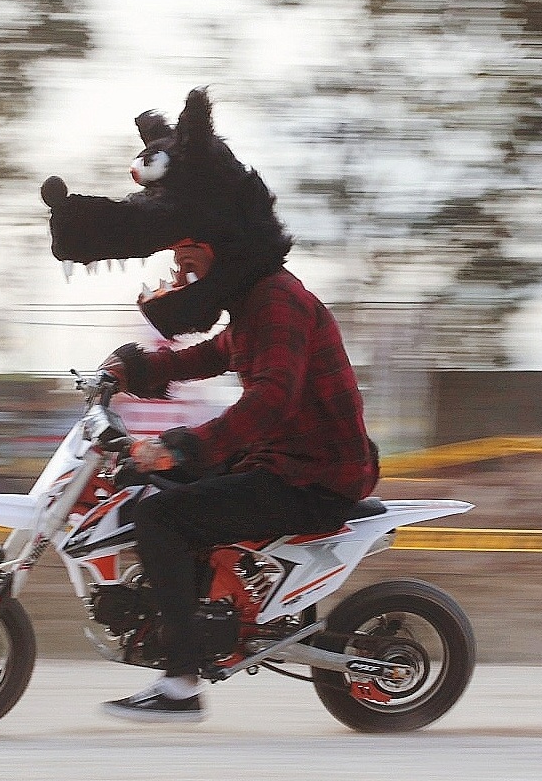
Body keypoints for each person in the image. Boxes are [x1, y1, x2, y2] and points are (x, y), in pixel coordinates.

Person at [40, 88, 378, 723]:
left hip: (312, 474)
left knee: (161, 520)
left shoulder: (278, 301)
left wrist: (180, 446)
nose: (176, 255)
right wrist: (132, 368)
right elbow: (206, 356)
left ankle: (180, 683)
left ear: (225, 242)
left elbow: (269, 405)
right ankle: (193, 616)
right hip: (281, 462)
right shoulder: (255, 305)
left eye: (186, 242)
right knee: (143, 488)